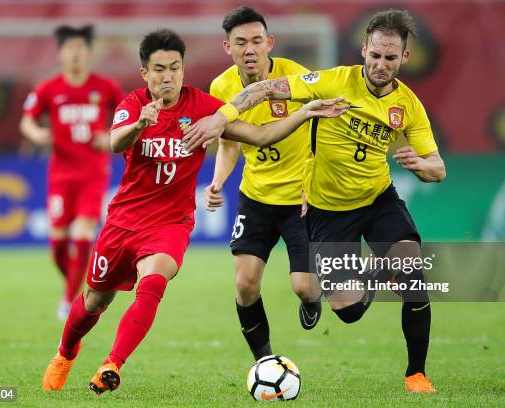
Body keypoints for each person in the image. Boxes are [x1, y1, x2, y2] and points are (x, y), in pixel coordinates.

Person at [40, 28, 347, 394]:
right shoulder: (133, 104)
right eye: (159, 69)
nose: (167, 77)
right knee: (93, 300)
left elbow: (260, 135)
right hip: (123, 222)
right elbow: (113, 142)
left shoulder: (203, 106)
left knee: (153, 283)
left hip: (171, 223)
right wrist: (140, 125)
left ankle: (112, 364)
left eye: (175, 68)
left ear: (183, 69)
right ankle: (64, 354)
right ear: (145, 74)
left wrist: (305, 113)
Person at [183, 9, 446, 393]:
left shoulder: (408, 106)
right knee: (347, 309)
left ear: (404, 58)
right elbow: (263, 90)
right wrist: (221, 118)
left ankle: (417, 374)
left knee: (411, 273)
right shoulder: (332, 81)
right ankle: (375, 271)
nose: (380, 64)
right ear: (363, 50)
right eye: (375, 55)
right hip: (326, 209)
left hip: (376, 198)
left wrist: (421, 165)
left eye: (390, 58)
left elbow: (438, 167)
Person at [204, 6, 322, 361]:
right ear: (228, 47)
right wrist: (217, 182)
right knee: (244, 284)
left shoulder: (297, 79)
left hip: (301, 197)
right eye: (241, 42)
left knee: (304, 287)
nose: (250, 49)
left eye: (257, 41)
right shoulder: (221, 86)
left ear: (270, 43)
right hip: (255, 197)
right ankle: (265, 362)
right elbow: (228, 143)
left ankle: (313, 299)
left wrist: (315, 184)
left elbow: (324, 132)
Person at [20, 25, 125, 320]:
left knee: (82, 237)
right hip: (61, 175)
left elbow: (128, 116)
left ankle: (69, 302)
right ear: (61, 53)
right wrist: (38, 134)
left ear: (89, 53)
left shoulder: (105, 87)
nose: (76, 54)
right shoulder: (48, 88)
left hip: (93, 173)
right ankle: (84, 283)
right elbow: (26, 121)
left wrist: (111, 136)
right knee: (57, 246)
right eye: (70, 48)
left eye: (81, 48)